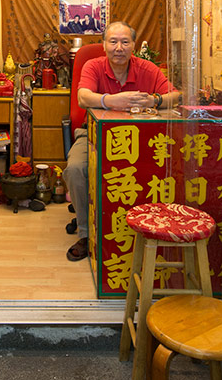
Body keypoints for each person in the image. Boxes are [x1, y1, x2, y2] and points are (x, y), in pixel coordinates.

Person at [63, 21, 180, 262]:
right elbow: (83, 97)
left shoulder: (147, 68)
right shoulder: (92, 65)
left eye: (125, 42)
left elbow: (175, 96)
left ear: (133, 46)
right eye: (113, 42)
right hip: (94, 133)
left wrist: (153, 101)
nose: (119, 47)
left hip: (140, 138)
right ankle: (86, 234)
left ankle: (147, 229)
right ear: (104, 45)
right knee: (76, 169)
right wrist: (113, 100)